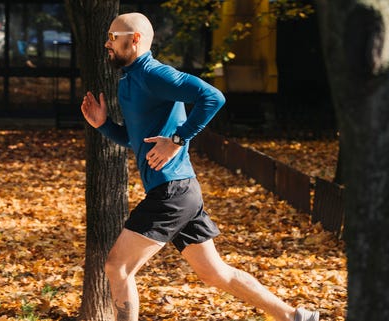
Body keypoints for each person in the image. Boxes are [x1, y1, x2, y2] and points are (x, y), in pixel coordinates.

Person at [80, 12, 320, 321]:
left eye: (113, 37)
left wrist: (178, 139)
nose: (106, 43)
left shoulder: (155, 74)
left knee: (117, 267)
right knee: (215, 273)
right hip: (179, 191)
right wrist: (104, 125)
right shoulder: (129, 82)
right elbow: (136, 139)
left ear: (135, 40)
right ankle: (296, 316)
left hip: (172, 192)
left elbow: (212, 96)